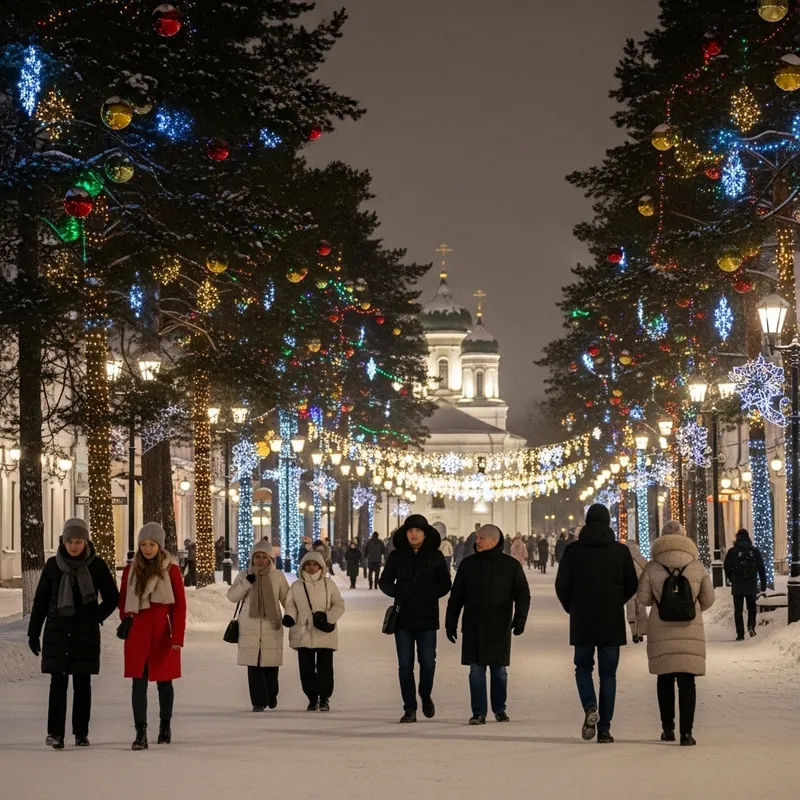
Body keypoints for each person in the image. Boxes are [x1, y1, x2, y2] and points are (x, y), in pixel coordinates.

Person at [27, 518, 119, 749]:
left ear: (86, 542)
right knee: (57, 683)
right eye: (70, 542)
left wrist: (95, 616)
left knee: (82, 684)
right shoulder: (53, 565)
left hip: (84, 634)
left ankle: (81, 733)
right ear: (63, 542)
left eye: (78, 541)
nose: (74, 546)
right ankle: (55, 734)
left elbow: (112, 598)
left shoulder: (96, 565)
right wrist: (33, 632)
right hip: (57, 632)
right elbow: (41, 600)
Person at [555, 504, 638, 744]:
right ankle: (604, 729)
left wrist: (572, 607)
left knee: (583, 668)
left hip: (582, 619)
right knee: (608, 675)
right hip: (611, 619)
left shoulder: (573, 551)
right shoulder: (620, 551)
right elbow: (631, 584)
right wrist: (616, 601)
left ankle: (590, 706)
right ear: (608, 522)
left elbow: (562, 585)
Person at [637, 520, 715, 746]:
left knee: (664, 679)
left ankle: (668, 729)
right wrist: (691, 606)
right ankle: (686, 733)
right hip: (690, 628)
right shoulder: (697, 566)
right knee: (687, 681)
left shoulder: (652, 567)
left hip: (661, 628)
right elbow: (708, 599)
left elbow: (644, 598)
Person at [445, 525, 530, 725]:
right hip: (473, 625)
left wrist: (520, 619)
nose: (477, 541)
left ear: (494, 540)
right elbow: (456, 597)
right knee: (476, 672)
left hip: (499, 625)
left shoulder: (510, 566)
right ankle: (478, 712)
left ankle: (499, 708)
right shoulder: (468, 565)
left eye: (482, 538)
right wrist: (451, 622)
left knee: (499, 672)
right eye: (477, 538)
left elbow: (522, 594)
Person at [119, 522, 186, 751]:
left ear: (160, 546)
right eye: (143, 544)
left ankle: (165, 725)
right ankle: (140, 732)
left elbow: (179, 607)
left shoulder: (171, 571)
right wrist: (127, 622)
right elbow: (123, 601)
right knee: (138, 684)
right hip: (137, 634)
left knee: (164, 682)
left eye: (152, 544)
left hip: (161, 634)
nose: (147, 549)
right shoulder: (130, 571)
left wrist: (177, 637)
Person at [379, 514, 452, 723]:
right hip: (403, 617)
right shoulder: (397, 556)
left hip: (427, 617)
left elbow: (445, 583)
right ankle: (409, 707)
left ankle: (425, 693)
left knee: (428, 663)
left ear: (425, 534)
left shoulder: (435, 556)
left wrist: (430, 593)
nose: (413, 534)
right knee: (405, 664)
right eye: (410, 530)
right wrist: (398, 592)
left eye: (418, 531)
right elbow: (384, 582)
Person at [227, 539, 290, 712]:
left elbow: (287, 599)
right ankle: (258, 702)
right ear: (252, 558)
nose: (260, 560)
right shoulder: (244, 575)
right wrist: (247, 582)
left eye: (264, 557)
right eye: (257, 557)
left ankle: (271, 694)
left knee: (271, 666)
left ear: (270, 558)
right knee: (253, 667)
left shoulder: (277, 576)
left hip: (271, 625)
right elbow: (232, 596)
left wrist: (290, 615)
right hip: (250, 626)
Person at [283, 551, 345, 711]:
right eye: (308, 564)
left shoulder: (329, 585)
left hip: (324, 631)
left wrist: (328, 617)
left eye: (314, 564)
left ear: (321, 566)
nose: (311, 567)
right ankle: (312, 698)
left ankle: (324, 698)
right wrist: (290, 616)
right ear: (303, 566)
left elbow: (339, 604)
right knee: (306, 669)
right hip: (303, 630)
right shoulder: (296, 586)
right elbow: (290, 604)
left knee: (325, 669)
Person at [723, 528, 767, 641]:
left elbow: (726, 567)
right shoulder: (754, 551)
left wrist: (731, 578)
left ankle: (740, 634)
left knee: (738, 610)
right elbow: (761, 568)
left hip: (737, 584)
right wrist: (763, 585)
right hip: (751, 583)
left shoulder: (732, 551)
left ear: (737, 537)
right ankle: (751, 626)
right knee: (751, 607)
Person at [625, 539, 649, 643]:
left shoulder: (624, 559)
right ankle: (640, 633)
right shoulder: (641, 558)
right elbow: (648, 571)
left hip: (628, 588)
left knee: (631, 610)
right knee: (641, 609)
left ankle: (634, 632)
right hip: (641, 587)